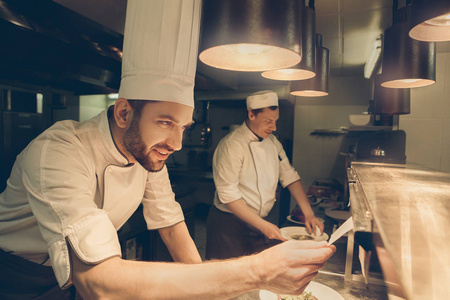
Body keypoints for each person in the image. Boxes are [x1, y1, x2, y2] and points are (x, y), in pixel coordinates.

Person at [0, 1, 335, 299]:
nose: (176, 144)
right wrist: (257, 271)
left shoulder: (147, 157)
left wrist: (209, 294)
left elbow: (171, 224)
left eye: (183, 127)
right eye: (164, 122)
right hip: (15, 275)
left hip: (68, 280)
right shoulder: (59, 151)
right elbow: (98, 282)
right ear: (124, 112)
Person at [206, 90, 325, 260]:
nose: (274, 127)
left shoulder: (272, 142)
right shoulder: (232, 145)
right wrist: (263, 225)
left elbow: (290, 176)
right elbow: (228, 195)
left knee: (256, 277)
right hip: (229, 226)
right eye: (268, 121)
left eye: (275, 121)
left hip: (258, 224)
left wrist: (309, 214)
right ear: (251, 114)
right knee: (227, 279)